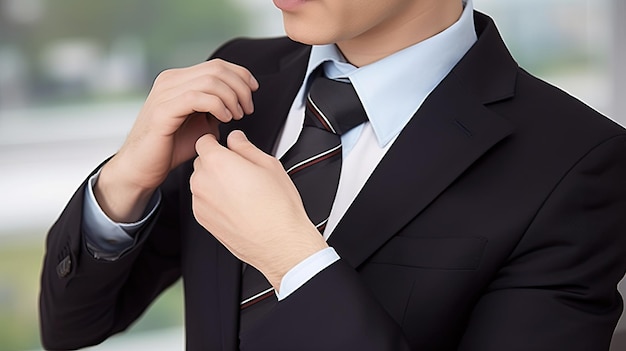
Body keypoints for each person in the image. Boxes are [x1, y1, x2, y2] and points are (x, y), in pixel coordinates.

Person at [39, 0, 626, 350]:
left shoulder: (578, 161)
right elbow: (72, 325)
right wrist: (122, 185)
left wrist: (294, 260)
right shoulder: (241, 77)